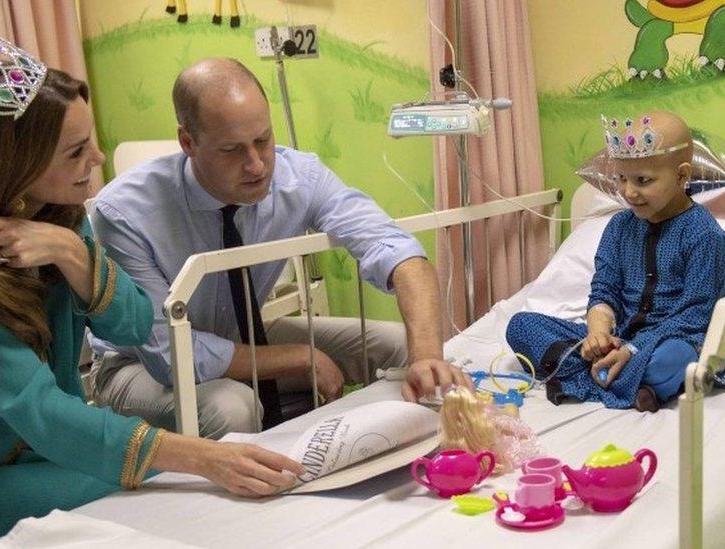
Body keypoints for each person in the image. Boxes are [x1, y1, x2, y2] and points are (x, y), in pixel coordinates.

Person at [0, 40, 303, 549]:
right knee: (166, 493)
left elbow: (136, 326)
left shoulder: (57, 216)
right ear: (12, 160)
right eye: (76, 152)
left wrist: (76, 257)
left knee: (171, 495)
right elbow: (33, 403)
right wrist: (202, 455)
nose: (96, 159)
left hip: (23, 459)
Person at [89, 58, 469, 438]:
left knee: (399, 346)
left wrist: (427, 357)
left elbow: (399, 252)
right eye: (231, 150)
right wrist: (298, 356)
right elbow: (168, 355)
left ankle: (410, 464)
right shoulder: (124, 213)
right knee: (231, 406)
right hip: (137, 363)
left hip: (239, 336)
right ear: (187, 142)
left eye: (263, 140)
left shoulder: (297, 178)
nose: (256, 165)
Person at [506, 110, 725, 412]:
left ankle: (607, 375)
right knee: (521, 326)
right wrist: (598, 332)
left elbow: (695, 315)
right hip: (621, 336)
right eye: (621, 179)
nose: (628, 192)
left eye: (642, 180)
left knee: (676, 360)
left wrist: (633, 350)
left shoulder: (704, 234)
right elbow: (604, 289)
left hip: (677, 339)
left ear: (681, 175)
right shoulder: (618, 227)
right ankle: (629, 381)